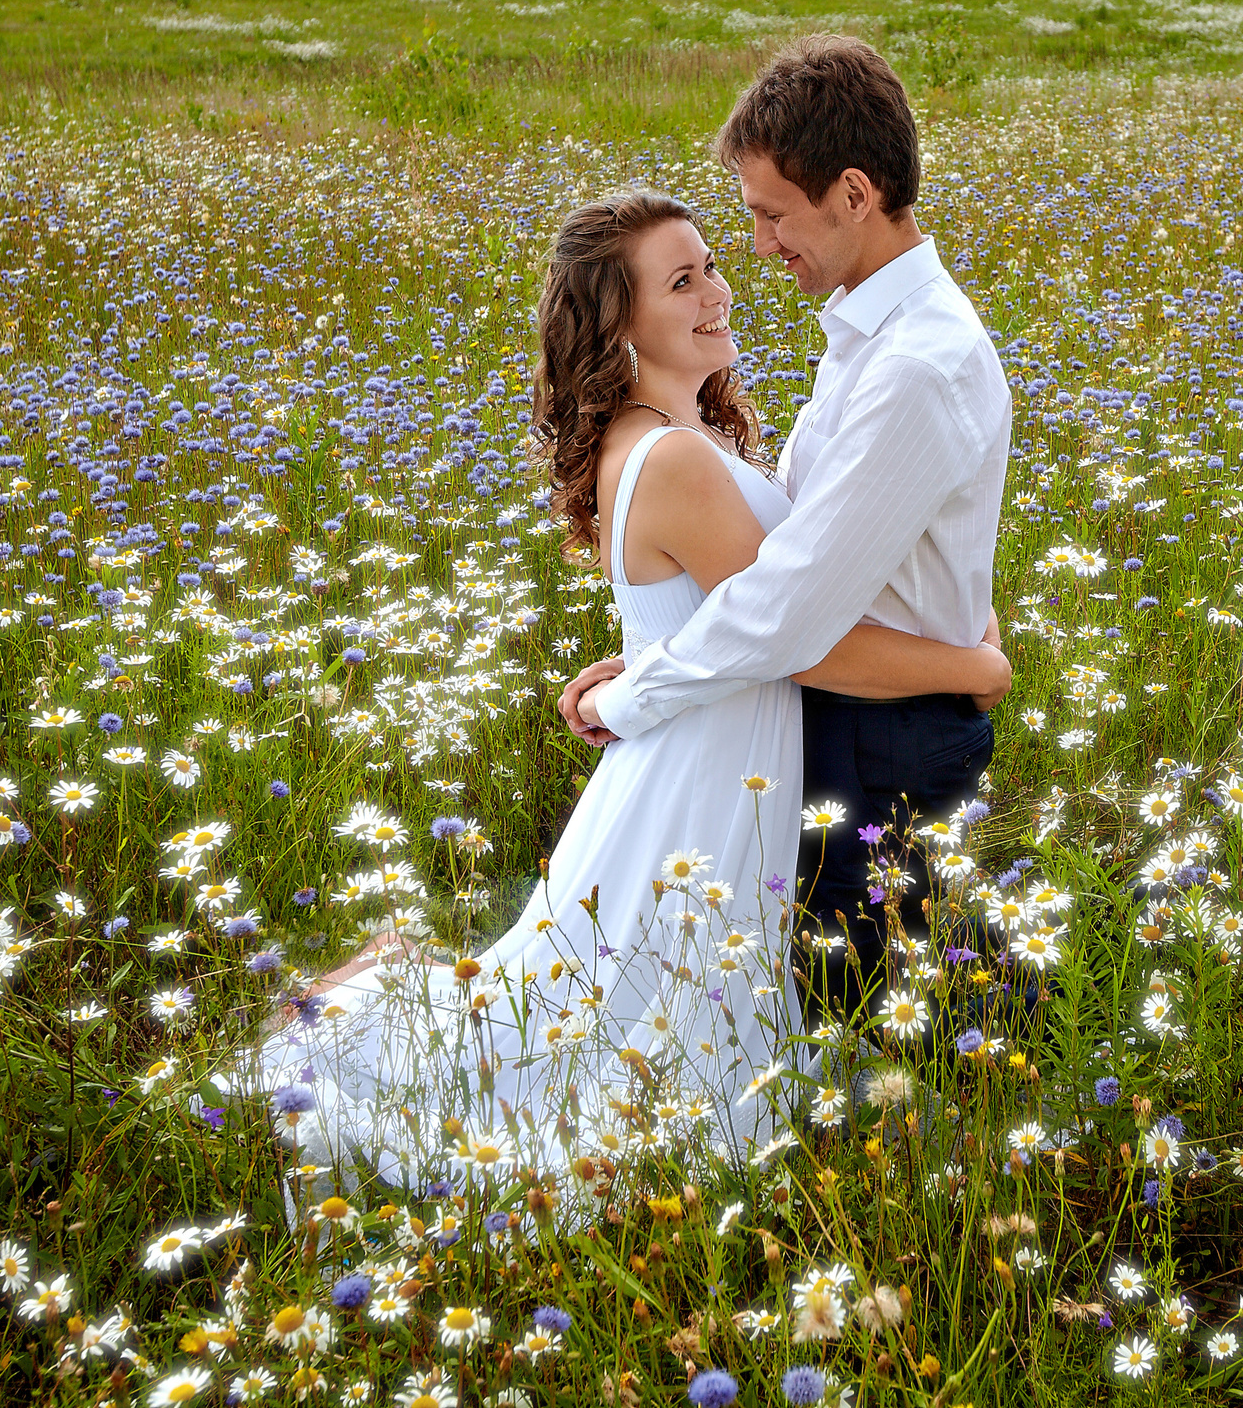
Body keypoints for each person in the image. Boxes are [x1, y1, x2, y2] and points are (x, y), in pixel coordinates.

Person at [242, 188, 1008, 1188]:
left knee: (631, 988)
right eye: (680, 282)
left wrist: (644, 663)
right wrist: (976, 663)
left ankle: (397, 986)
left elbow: (733, 615)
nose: (716, 293)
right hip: (706, 766)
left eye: (712, 266)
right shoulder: (680, 459)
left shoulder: (678, 441)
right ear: (618, 323)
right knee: (624, 1022)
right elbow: (797, 640)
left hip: (709, 739)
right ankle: (374, 1011)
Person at [565, 34, 1013, 1026]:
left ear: (853, 193)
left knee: (878, 1030)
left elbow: (788, 613)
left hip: (882, 738)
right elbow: (789, 575)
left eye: (770, 215)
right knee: (840, 1014)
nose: (761, 247)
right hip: (845, 718)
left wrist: (642, 691)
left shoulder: (910, 367)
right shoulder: (866, 336)